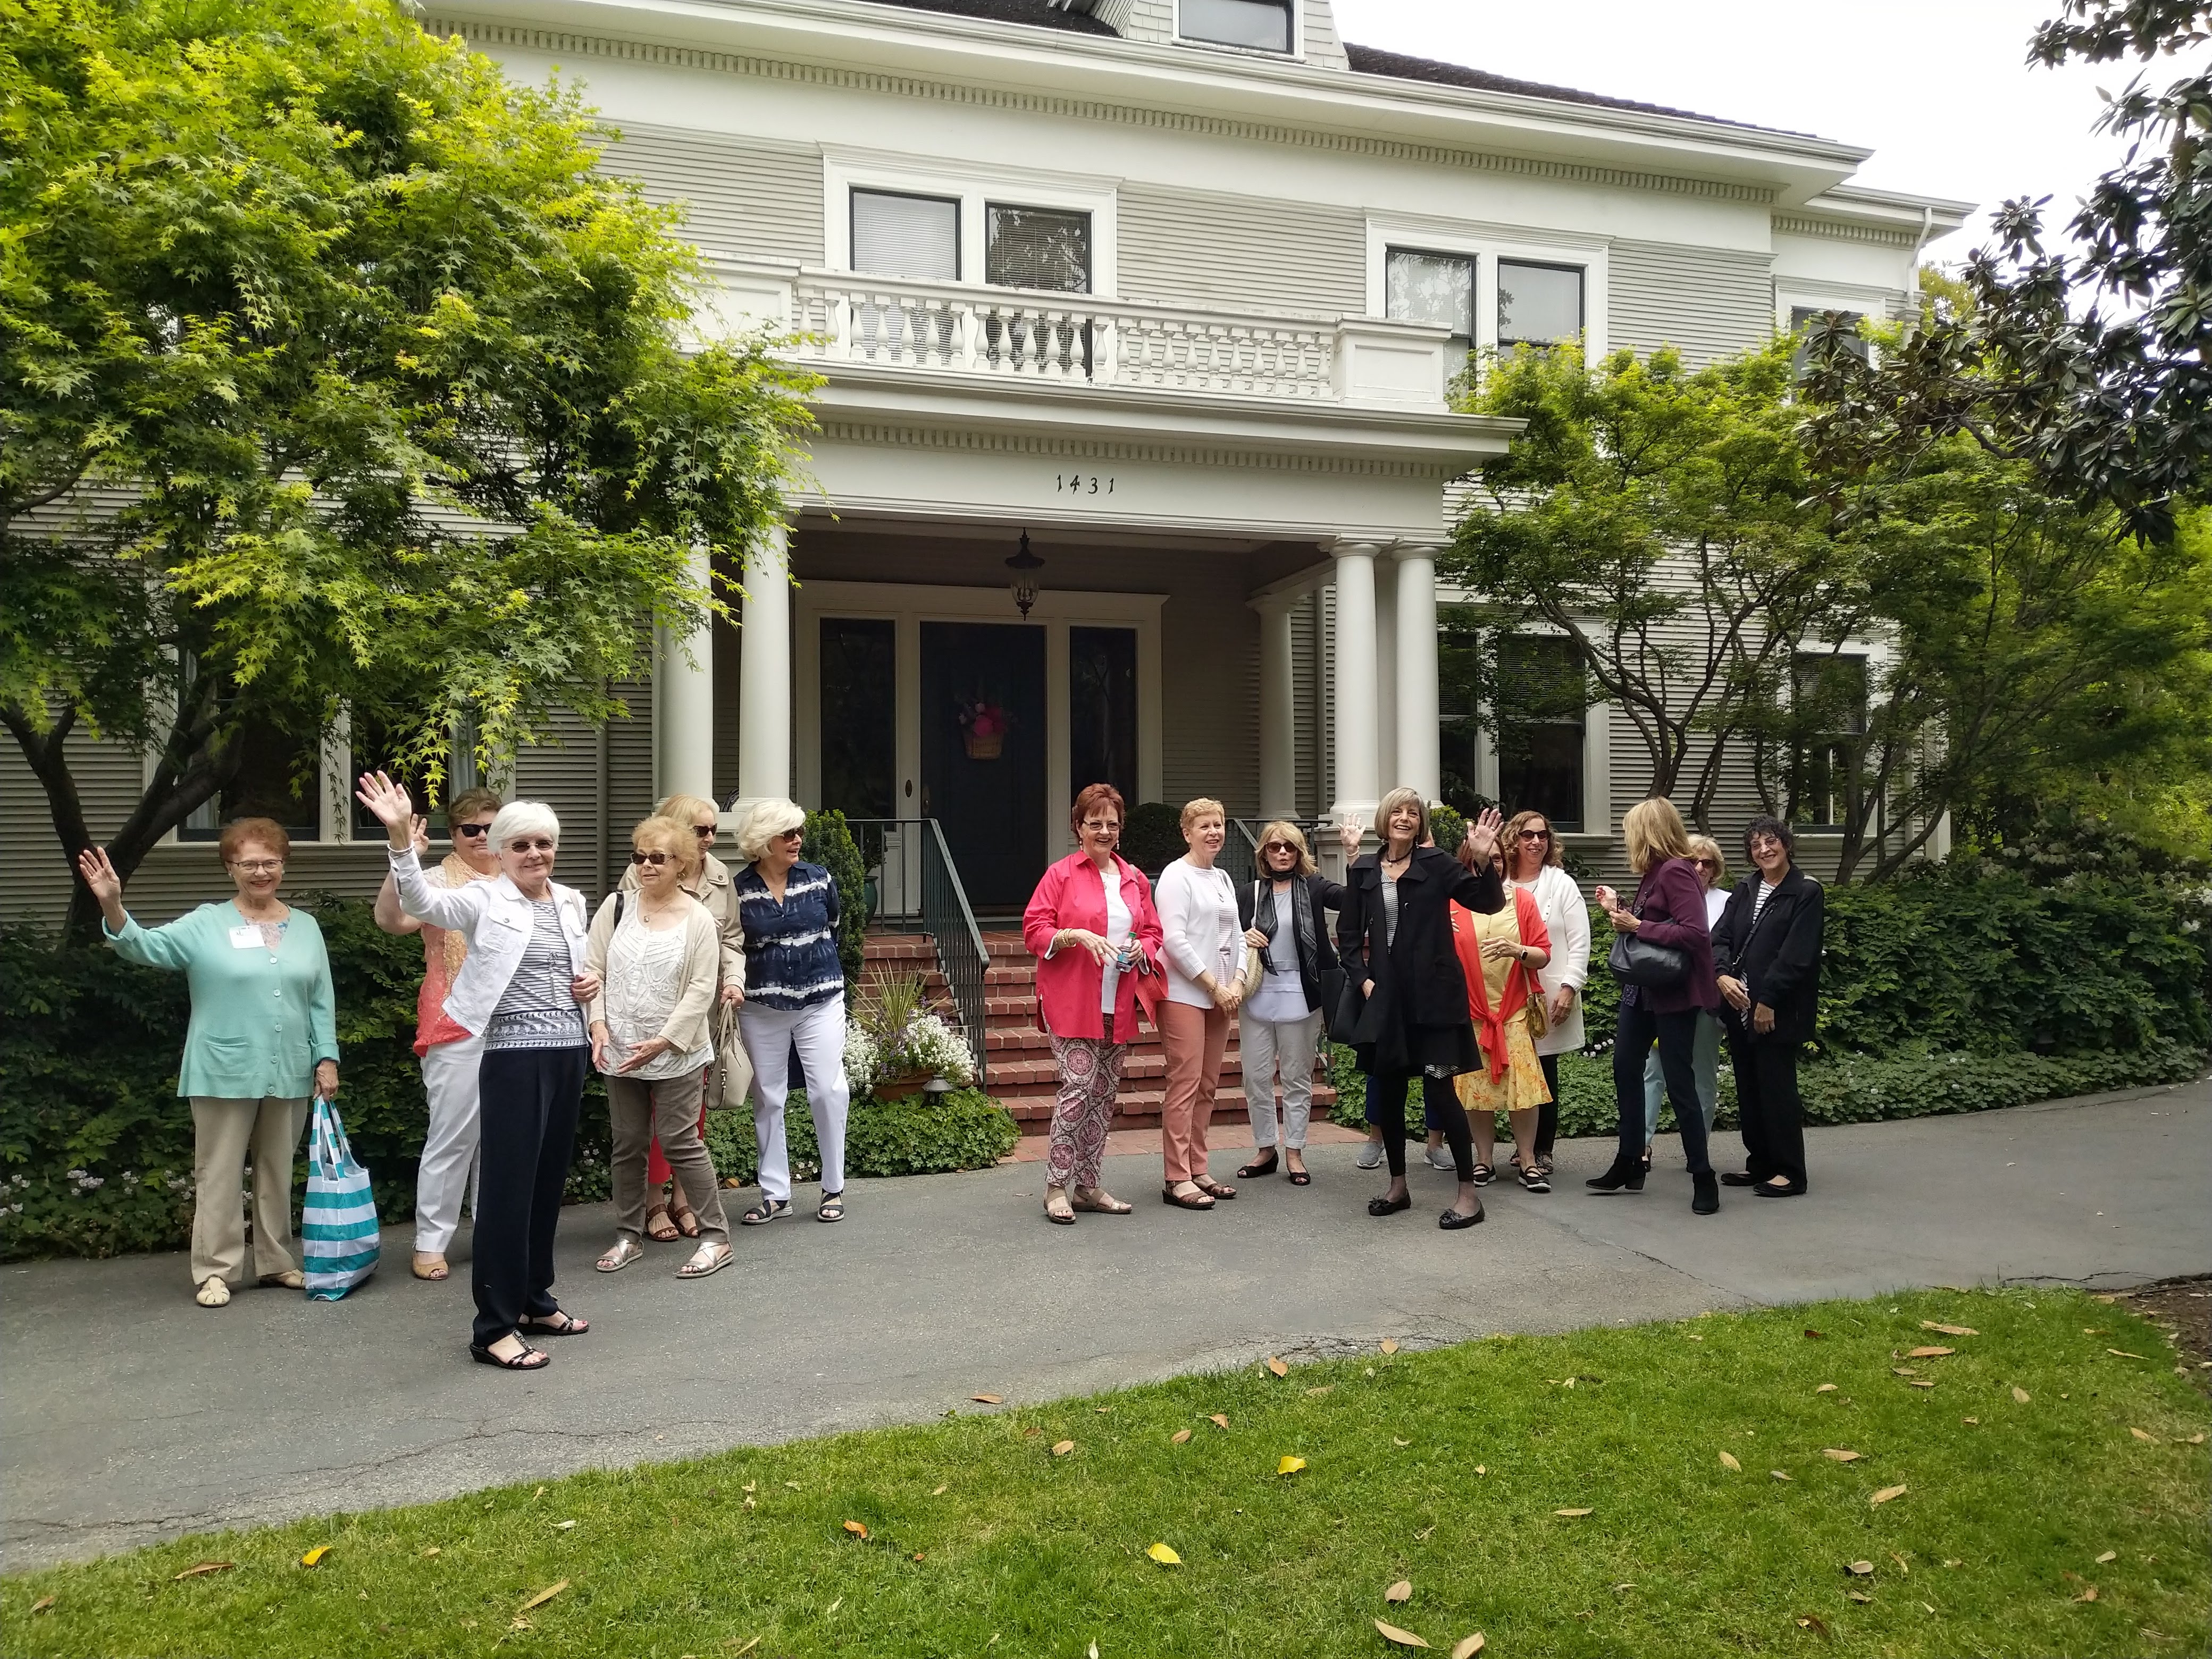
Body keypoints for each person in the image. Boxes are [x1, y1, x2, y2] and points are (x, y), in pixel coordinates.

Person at [357, 773, 596, 1372]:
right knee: (506, 1191)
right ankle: (492, 1327)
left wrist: (591, 985)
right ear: (499, 852)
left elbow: (578, 965)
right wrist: (397, 839)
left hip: (567, 1049)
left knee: (545, 1187)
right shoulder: (484, 898)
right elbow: (420, 904)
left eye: (543, 843)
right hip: (513, 1054)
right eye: (520, 845)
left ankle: (534, 1302)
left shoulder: (569, 900)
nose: (533, 854)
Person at [78, 826, 339, 1309]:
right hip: (224, 1067)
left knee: (278, 1168)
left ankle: (277, 1262)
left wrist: (327, 1056)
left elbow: (320, 999)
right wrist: (113, 904)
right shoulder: (206, 923)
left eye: (270, 862)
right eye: (249, 864)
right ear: (230, 869)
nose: (261, 872)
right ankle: (216, 1271)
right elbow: (143, 946)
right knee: (218, 1171)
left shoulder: (306, 927)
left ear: (283, 866)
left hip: (291, 1068)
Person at [1338, 787, 1505, 1229]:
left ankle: (1469, 1196)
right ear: (1385, 818)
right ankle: (1398, 1185)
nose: (1406, 818)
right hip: (1386, 1000)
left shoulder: (1438, 864)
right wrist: (1364, 981)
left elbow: (1487, 902)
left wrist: (1484, 860)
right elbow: (1349, 935)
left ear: (1421, 824)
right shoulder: (1367, 870)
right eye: (1398, 811)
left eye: (1414, 813)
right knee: (1389, 1091)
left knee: (1440, 1090)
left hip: (1435, 999)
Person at [587, 816, 732, 1276]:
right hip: (620, 1049)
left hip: (676, 1051)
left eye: (658, 858)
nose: (646, 866)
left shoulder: (699, 918)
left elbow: (702, 987)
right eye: (639, 857)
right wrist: (598, 1026)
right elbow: (594, 973)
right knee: (628, 1143)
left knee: (679, 1141)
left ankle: (716, 1237)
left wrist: (666, 1039)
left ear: (682, 864)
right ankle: (629, 1235)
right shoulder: (616, 907)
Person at [373, 786, 504, 1282]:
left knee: (502, 1138)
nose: (482, 837)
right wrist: (403, 859)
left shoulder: (519, 879)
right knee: (453, 1134)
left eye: (492, 828)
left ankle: (493, 1231)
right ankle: (431, 1240)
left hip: (514, 1021)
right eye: (472, 829)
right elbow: (391, 920)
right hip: (453, 1021)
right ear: (455, 834)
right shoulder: (433, 880)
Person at [1020, 783, 1162, 1224]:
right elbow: (1034, 929)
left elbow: (1152, 931)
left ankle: (1088, 1184)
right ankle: (1055, 1186)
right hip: (1071, 1000)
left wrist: (1142, 947)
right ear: (1078, 827)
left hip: (1117, 1003)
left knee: (1103, 1096)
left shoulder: (1134, 878)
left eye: (1112, 824)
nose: (1104, 830)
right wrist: (1073, 935)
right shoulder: (1061, 875)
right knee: (1078, 1089)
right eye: (1094, 823)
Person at [618, 792, 743, 1242]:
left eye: (714, 829)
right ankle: (653, 1201)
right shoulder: (642, 872)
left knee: (687, 1118)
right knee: (649, 1116)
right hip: (645, 1013)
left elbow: (731, 938)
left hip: (699, 1011)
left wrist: (735, 980)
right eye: (700, 830)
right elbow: (619, 942)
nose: (710, 838)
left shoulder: (719, 876)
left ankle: (683, 1199)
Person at [1588, 797, 1721, 1215]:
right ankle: (1630, 1162)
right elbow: (1653, 928)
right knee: (1625, 1068)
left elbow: (1696, 934)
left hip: (1673, 993)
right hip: (1641, 992)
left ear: (1648, 832)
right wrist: (1620, 911)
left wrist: (1636, 925)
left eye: (1631, 830)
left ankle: (1703, 1177)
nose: (1628, 838)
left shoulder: (1678, 870)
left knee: (1679, 1082)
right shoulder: (1652, 873)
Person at [730, 798, 851, 1225]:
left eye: (798, 832)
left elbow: (833, 926)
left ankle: (833, 1186)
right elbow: (734, 945)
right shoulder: (739, 889)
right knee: (768, 1097)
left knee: (828, 1091)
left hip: (821, 1000)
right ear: (763, 843)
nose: (797, 840)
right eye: (787, 834)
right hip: (762, 1005)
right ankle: (775, 1194)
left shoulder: (817, 878)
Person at [1712, 815, 1825, 1197]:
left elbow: (1797, 956)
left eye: (1771, 841)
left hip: (1777, 1010)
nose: (1765, 850)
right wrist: (1722, 975)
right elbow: (1720, 938)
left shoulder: (1806, 892)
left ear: (1786, 844)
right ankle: (1759, 1162)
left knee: (1777, 1090)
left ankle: (1790, 1171)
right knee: (1749, 1089)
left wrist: (1768, 1001)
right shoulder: (1745, 888)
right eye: (1757, 845)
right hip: (1739, 1005)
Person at [1233, 821, 1345, 1186]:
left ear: (1299, 853)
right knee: (1256, 1076)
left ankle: (1294, 1151)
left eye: (1290, 848)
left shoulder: (1313, 888)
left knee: (1297, 1077)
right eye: (1275, 847)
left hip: (1302, 990)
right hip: (1257, 991)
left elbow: (1353, 899)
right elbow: (1223, 932)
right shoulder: (1248, 892)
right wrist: (1241, 935)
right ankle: (1266, 1148)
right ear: (1263, 852)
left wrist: (1354, 852)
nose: (1282, 853)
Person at [1153, 799, 1247, 1209]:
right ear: (1186, 832)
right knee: (1185, 1084)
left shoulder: (1223, 878)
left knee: (1208, 1086)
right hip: (1185, 994)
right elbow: (1174, 942)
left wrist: (1239, 980)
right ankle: (1176, 1177)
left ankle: (1199, 1166)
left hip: (1221, 994)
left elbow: (1239, 936)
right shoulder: (1176, 877)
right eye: (1205, 826)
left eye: (1220, 824)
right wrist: (1213, 986)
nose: (1214, 832)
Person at [1452, 844, 1554, 1191]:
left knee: (1523, 1091)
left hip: (1513, 1013)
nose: (1489, 864)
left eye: (1496, 858)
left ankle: (1527, 1160)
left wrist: (1517, 951)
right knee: (1476, 1090)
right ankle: (1483, 1160)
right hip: (1471, 1014)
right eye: (1482, 858)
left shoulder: (1521, 901)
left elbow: (1543, 955)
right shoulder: (1452, 905)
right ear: (1467, 863)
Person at [1497, 810, 1589, 1182]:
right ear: (1513, 841)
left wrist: (1569, 987)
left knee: (1543, 1071)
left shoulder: (1561, 884)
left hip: (1548, 994)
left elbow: (1580, 941)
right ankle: (1522, 1148)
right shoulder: (1498, 882)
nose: (1536, 842)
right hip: (1503, 995)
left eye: (1543, 835)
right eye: (1528, 835)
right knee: (1512, 1071)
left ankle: (1542, 1151)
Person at [1639, 832, 1730, 1172]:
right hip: (1668, 994)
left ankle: (1698, 1149)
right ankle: (1641, 1146)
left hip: (1706, 1000)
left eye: (1708, 863)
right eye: (1694, 861)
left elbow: (1727, 950)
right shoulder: (1669, 889)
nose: (1700, 867)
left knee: (1702, 1073)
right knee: (1654, 1070)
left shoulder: (1726, 902)